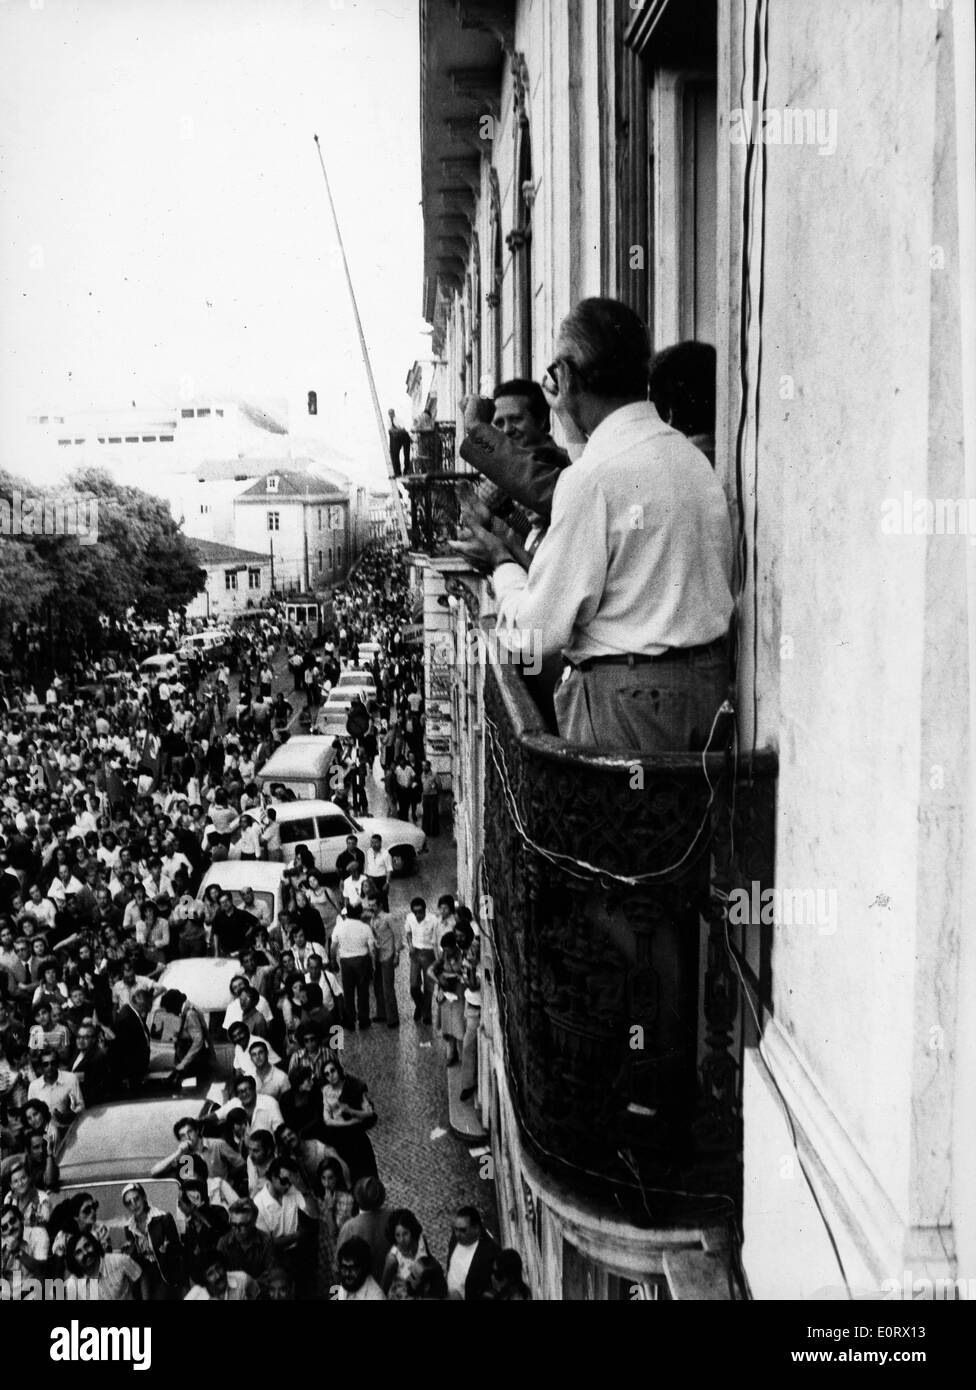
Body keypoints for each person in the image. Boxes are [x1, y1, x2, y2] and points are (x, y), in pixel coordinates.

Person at [452, 298, 734, 755]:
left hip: (627, 709)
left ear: (564, 377)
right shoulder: (690, 459)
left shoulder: (591, 479)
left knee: (616, 824)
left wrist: (502, 566)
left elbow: (536, 636)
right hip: (706, 697)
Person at [120, 1181, 184, 1300]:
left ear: (144, 1197)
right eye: (129, 1203)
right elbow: (136, 1256)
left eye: (136, 1199)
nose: (134, 1204)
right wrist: (129, 1250)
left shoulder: (163, 1218)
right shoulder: (129, 1227)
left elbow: (178, 1249)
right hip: (145, 1272)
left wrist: (166, 1250)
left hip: (164, 1270)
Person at [335, 1176, 390, 1283]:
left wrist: (334, 1297)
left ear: (356, 1198)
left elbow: (338, 1268)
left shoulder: (349, 1227)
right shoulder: (392, 1216)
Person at [331, 906, 374, 1032]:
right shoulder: (365, 927)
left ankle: (350, 1021)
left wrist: (333, 961)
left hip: (346, 962)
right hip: (362, 961)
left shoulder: (339, 927)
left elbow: (333, 947)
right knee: (363, 992)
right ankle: (363, 1020)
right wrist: (373, 965)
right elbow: (371, 948)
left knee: (348, 992)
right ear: (360, 913)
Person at [363, 898, 403, 1028]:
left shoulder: (389, 917)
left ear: (380, 905)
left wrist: (397, 954)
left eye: (373, 905)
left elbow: (398, 935)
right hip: (378, 955)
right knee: (377, 985)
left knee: (388, 987)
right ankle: (382, 1013)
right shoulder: (372, 919)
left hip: (388, 954)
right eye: (369, 905)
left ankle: (393, 1017)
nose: (371, 908)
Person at [445, 1206, 499, 1301]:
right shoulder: (455, 1239)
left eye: (462, 1230)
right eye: (455, 1229)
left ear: (476, 1229)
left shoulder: (490, 1253)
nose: (457, 1234)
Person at [380, 1208, 431, 1299]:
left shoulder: (421, 1240)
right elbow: (384, 1287)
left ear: (412, 1231)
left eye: (405, 1234)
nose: (401, 1240)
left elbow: (430, 1262)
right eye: (397, 1235)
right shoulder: (392, 1258)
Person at [404, 896, 438, 1025]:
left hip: (428, 953)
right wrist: (410, 945)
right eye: (415, 912)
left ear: (425, 910)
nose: (418, 915)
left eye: (420, 912)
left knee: (429, 986)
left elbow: (437, 940)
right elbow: (408, 932)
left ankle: (426, 1014)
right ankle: (421, 1005)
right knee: (414, 985)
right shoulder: (410, 918)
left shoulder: (433, 920)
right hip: (415, 953)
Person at [184, 1249, 260, 1301]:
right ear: (203, 1279)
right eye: (210, 1274)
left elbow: (258, 1296)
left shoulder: (242, 1279)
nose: (218, 1275)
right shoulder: (195, 1296)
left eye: (218, 1268)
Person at [334, 1234, 386, 1301]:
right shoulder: (346, 1285)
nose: (347, 1273)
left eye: (353, 1269)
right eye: (344, 1268)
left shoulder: (376, 1297)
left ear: (364, 1269)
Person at [363, 834, 392, 912]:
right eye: (372, 842)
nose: (373, 844)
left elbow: (389, 870)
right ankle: (373, 918)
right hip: (370, 879)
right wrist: (366, 879)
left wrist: (387, 883)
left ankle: (386, 917)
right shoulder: (369, 851)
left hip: (381, 880)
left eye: (376, 842)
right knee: (372, 900)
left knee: (383, 900)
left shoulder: (386, 854)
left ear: (380, 842)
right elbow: (366, 866)